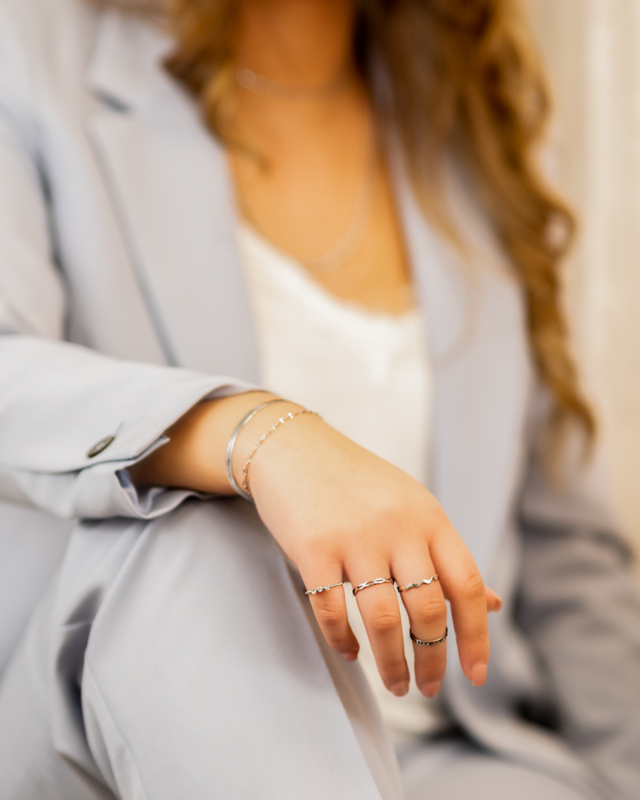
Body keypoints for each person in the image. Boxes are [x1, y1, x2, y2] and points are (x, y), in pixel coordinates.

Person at [0, 0, 638, 798]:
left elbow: (568, 561)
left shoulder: (464, 130)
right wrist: (259, 438)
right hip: (102, 743)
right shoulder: (31, 50)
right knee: (204, 536)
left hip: (448, 759)